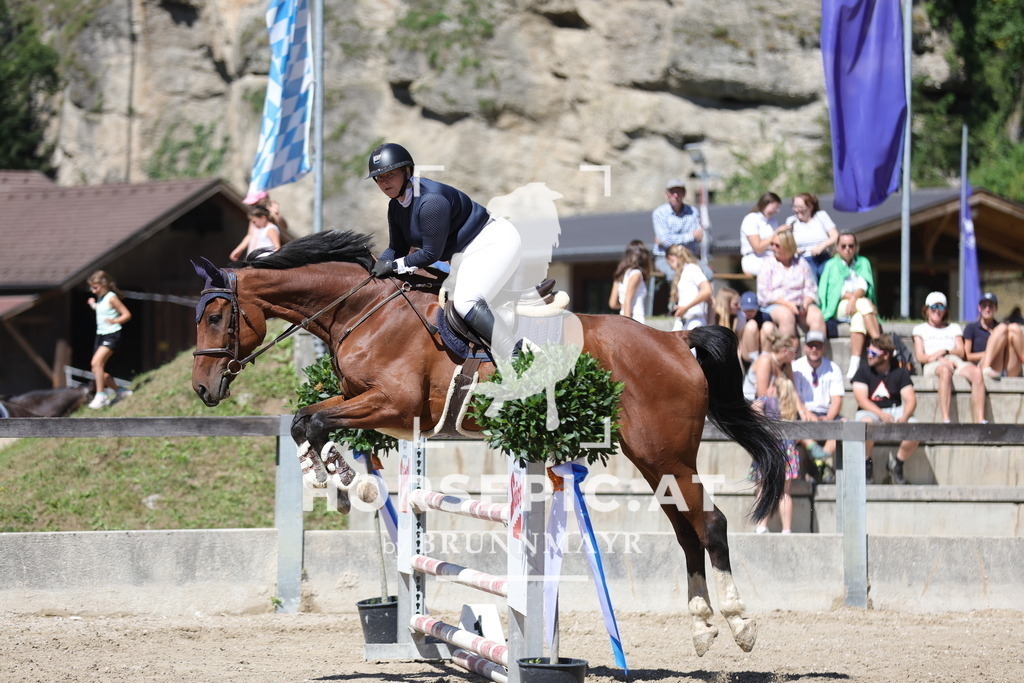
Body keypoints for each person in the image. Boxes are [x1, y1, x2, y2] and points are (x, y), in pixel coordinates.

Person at [367, 143, 521, 357]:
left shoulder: (431, 202)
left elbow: (431, 254)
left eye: (390, 175)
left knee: (465, 302)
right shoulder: (396, 205)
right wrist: (374, 270)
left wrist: (393, 265)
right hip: (464, 251)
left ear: (407, 172)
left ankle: (515, 356)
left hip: (493, 240)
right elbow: (397, 248)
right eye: (379, 178)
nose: (384, 182)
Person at [743, 333, 802, 534]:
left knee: (764, 485)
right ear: (785, 351)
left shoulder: (784, 368)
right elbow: (764, 396)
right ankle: (786, 530)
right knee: (784, 490)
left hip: (771, 435)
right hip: (780, 435)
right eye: (794, 351)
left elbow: (763, 401)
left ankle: (761, 526)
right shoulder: (766, 360)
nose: (797, 354)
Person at [852, 335, 920, 485]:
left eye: (874, 354)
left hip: (895, 409)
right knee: (866, 424)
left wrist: (905, 416)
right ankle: (866, 464)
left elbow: (910, 400)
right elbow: (861, 400)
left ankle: (897, 464)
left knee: (916, 429)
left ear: (886, 355)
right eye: (869, 351)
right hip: (870, 410)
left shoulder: (900, 371)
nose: (869, 356)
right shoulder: (863, 371)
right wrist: (880, 413)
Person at [912, 291, 987, 424]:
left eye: (941, 307)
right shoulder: (920, 329)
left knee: (976, 372)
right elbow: (920, 357)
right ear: (927, 310)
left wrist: (945, 351)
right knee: (945, 371)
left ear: (945, 311)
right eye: (933, 307)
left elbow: (961, 351)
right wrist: (938, 357)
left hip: (955, 361)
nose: (937, 311)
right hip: (933, 363)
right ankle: (946, 418)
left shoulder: (954, 328)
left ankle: (980, 419)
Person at [817, 232, 882, 378]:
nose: (847, 249)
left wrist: (853, 299)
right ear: (838, 248)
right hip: (839, 306)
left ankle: (854, 366)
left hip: (856, 305)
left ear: (856, 247)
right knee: (865, 304)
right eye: (843, 246)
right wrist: (852, 298)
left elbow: (864, 285)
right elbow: (835, 291)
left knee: (859, 317)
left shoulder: (862, 262)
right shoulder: (831, 265)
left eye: (851, 246)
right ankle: (880, 343)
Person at [757, 228, 826, 341]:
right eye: (772, 244)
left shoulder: (801, 263)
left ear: (787, 246)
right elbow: (764, 294)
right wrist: (788, 305)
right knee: (786, 316)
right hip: (776, 305)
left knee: (816, 316)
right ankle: (787, 354)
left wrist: (805, 303)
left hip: (800, 304)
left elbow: (811, 289)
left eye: (777, 245)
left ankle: (816, 353)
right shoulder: (768, 263)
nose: (773, 248)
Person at [791, 330, 845, 473]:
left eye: (818, 346)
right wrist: (806, 413)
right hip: (803, 412)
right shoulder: (796, 367)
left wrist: (828, 417)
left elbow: (837, 400)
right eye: (811, 345)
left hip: (826, 412)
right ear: (805, 347)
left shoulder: (833, 368)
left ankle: (819, 460)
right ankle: (819, 458)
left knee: (846, 425)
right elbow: (794, 396)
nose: (814, 349)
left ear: (824, 348)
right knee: (793, 424)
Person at [86, 270, 132, 409]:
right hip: (100, 335)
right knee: (97, 370)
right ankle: (121, 391)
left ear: (104, 285)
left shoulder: (112, 297)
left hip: (112, 334)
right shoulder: (101, 298)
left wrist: (115, 320)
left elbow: (127, 314)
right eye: (92, 287)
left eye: (96, 287)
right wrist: (93, 305)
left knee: (96, 363)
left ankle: (101, 396)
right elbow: (102, 311)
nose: (93, 290)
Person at [651, 179, 709, 281]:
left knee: (708, 274)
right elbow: (666, 240)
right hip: (665, 257)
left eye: (679, 191)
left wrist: (671, 239)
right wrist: (690, 236)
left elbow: (698, 237)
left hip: (688, 257)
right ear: (666, 194)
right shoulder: (659, 213)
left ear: (684, 194)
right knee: (675, 276)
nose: (676, 195)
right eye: (672, 192)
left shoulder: (693, 212)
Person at [964, 292, 1023, 379]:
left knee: (1014, 327)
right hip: (982, 364)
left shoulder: (1001, 328)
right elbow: (967, 356)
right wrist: (990, 352)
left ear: (996, 308)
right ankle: (986, 368)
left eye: (991, 306)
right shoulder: (971, 328)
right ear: (979, 308)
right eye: (984, 305)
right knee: (1002, 327)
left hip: (1005, 365)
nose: (987, 309)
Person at [785, 193, 838, 280]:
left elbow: (835, 236)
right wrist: (794, 250)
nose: (797, 210)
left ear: (810, 207)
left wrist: (822, 246)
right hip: (803, 259)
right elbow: (786, 243)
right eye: (794, 207)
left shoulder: (821, 216)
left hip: (823, 257)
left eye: (800, 207)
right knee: (811, 278)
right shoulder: (791, 221)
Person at [666, 243, 711, 331]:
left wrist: (686, 308)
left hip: (694, 321)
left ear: (671, 258)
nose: (670, 268)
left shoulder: (692, 268)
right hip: (683, 321)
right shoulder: (683, 272)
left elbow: (707, 291)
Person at [739, 191, 783, 277]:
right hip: (753, 259)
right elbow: (758, 248)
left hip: (771, 258)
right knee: (776, 271)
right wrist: (776, 233)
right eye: (775, 207)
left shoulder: (773, 221)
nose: (776, 211)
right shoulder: (751, 219)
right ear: (766, 204)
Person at [608, 240, 653, 323]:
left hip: (623, 317)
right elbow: (628, 300)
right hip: (635, 319)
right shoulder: (636, 274)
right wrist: (628, 324)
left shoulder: (620, 274)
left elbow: (613, 303)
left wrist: (624, 307)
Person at [737, 290, 775, 368]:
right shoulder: (739, 317)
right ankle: (754, 363)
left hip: (763, 348)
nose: (749, 313)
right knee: (751, 324)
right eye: (746, 310)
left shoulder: (765, 317)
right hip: (746, 351)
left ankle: (765, 361)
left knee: (768, 326)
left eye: (752, 310)